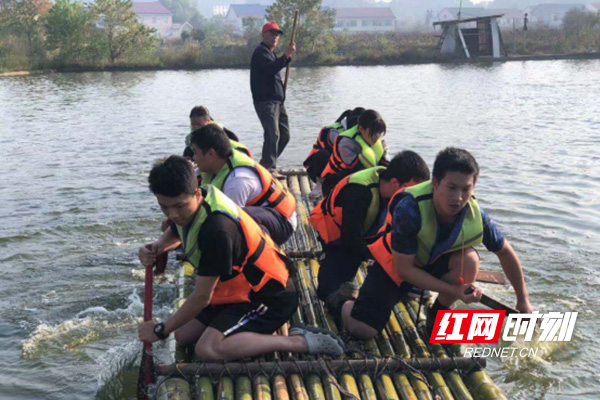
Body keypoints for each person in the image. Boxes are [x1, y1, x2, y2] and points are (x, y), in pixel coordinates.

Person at [137, 156, 345, 361]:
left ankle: (299, 341)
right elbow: (177, 229)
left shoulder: (218, 230)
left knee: (208, 349)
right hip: (236, 291)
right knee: (182, 335)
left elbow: (201, 297)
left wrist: (160, 330)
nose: (172, 214)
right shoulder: (196, 206)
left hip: (270, 296)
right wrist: (157, 247)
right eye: (165, 207)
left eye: (179, 206)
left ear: (197, 193)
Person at [341, 147, 533, 339]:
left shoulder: (475, 214)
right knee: (363, 331)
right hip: (395, 267)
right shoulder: (409, 209)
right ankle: (345, 303)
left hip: (428, 264)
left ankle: (438, 313)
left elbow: (505, 252)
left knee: (470, 260)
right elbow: (404, 270)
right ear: (435, 183)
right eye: (451, 188)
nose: (458, 198)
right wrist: (455, 291)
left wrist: (523, 300)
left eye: (466, 189)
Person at [309, 151, 430, 315]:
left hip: (369, 233)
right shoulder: (360, 191)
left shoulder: (403, 197)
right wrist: (373, 257)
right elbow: (349, 238)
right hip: (338, 235)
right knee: (329, 290)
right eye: (412, 189)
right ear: (395, 183)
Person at [191, 124, 297, 245]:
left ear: (210, 153)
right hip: (264, 213)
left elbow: (230, 223)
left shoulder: (237, 181)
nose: (194, 158)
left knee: (225, 221)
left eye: (195, 152)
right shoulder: (218, 163)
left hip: (282, 222)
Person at [250, 21, 296, 173]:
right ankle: (269, 168)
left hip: (277, 102)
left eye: (277, 35)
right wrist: (287, 55)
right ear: (264, 35)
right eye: (272, 34)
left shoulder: (270, 53)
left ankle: (266, 163)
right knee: (272, 134)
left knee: (285, 135)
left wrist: (285, 58)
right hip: (266, 102)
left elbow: (275, 66)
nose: (275, 37)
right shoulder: (261, 52)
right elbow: (271, 69)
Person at [320, 109, 389, 196]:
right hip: (334, 182)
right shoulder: (346, 143)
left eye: (380, 132)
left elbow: (386, 166)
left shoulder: (382, 143)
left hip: (364, 179)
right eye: (374, 133)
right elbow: (358, 171)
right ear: (361, 129)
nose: (377, 137)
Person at [303, 107, 366, 199]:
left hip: (337, 167)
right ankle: (320, 184)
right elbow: (341, 156)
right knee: (323, 154)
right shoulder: (334, 132)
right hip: (317, 167)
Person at [184, 105, 252, 161]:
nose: (195, 127)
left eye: (199, 124)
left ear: (208, 121)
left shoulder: (219, 134)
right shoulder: (189, 137)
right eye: (193, 124)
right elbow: (190, 151)